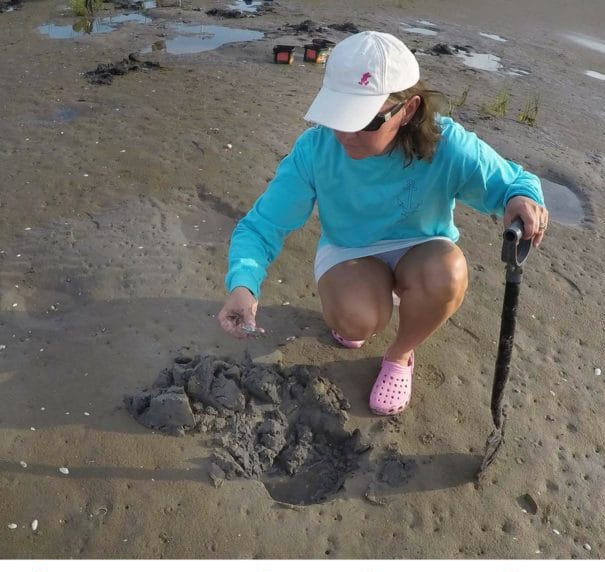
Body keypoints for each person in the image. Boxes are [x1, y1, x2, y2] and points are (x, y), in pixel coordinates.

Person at [217, 30, 548, 416]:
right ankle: (363, 308)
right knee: (357, 321)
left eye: (365, 122)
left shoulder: (448, 145)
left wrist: (524, 199)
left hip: (422, 250)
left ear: (408, 110)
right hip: (350, 250)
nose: (346, 134)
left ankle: (400, 355)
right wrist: (243, 285)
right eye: (338, 117)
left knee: (450, 273)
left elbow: (515, 182)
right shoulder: (316, 149)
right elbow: (262, 225)